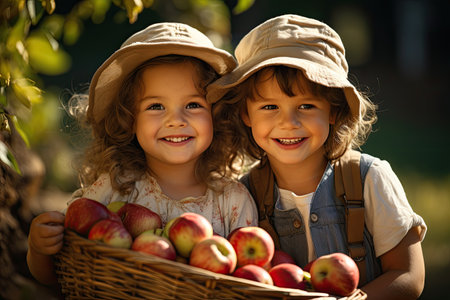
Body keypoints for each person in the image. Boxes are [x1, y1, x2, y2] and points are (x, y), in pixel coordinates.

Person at [208, 14, 426, 299]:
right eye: (270, 107)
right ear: (245, 114)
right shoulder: (243, 196)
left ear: (334, 110)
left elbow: (409, 276)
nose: (289, 122)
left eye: (307, 105)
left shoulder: (368, 178)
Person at [27, 22, 258, 285]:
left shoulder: (233, 201)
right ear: (129, 119)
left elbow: (251, 278)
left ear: (217, 116)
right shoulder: (114, 189)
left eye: (193, 104)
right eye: (156, 106)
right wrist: (39, 249)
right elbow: (66, 274)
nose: (176, 120)